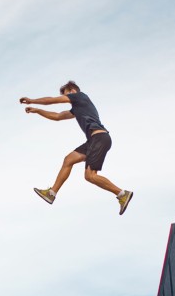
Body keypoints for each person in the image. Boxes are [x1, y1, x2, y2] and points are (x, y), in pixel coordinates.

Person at [19, 80, 133, 215]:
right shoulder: (78, 108)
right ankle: (52, 193)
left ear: (72, 91)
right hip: (93, 140)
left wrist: (32, 100)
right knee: (68, 160)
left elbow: (53, 100)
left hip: (99, 138)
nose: (66, 98)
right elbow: (58, 116)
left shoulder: (80, 96)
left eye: (66, 95)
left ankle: (122, 194)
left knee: (90, 176)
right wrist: (38, 111)